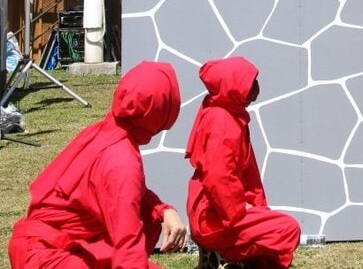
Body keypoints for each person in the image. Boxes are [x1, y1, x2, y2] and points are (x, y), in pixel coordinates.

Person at [8, 61, 186, 269]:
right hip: (49, 257)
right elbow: (128, 244)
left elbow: (130, 193)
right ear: (159, 111)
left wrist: (162, 210)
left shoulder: (108, 130)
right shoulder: (121, 160)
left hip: (42, 248)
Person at [185, 57, 301, 269]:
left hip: (218, 211)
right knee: (286, 229)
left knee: (271, 225)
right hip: (215, 217)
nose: (254, 89)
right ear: (232, 85)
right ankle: (225, 254)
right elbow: (218, 176)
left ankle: (228, 257)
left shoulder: (225, 113)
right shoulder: (222, 121)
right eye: (248, 83)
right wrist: (238, 208)